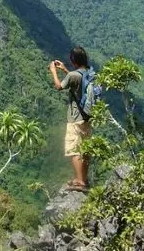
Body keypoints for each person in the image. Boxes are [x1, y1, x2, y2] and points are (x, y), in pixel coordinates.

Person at [49, 47, 92, 192]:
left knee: (74, 149)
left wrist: (54, 72)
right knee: (85, 149)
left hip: (75, 117)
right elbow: (77, 82)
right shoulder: (89, 72)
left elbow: (59, 86)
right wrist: (65, 70)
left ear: (73, 60)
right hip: (87, 117)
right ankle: (84, 179)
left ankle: (80, 181)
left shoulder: (73, 75)